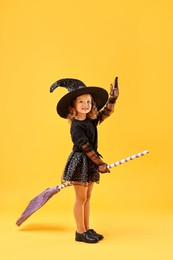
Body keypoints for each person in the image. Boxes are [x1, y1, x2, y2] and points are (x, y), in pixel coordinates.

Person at [50, 77, 119, 243]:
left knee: (88, 198)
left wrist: (112, 99)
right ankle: (80, 231)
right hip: (80, 162)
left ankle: (87, 229)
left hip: (90, 162)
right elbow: (86, 147)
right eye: (81, 101)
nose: (85, 105)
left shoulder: (90, 120)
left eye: (88, 101)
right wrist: (100, 163)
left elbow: (106, 113)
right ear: (73, 105)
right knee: (80, 198)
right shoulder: (76, 126)